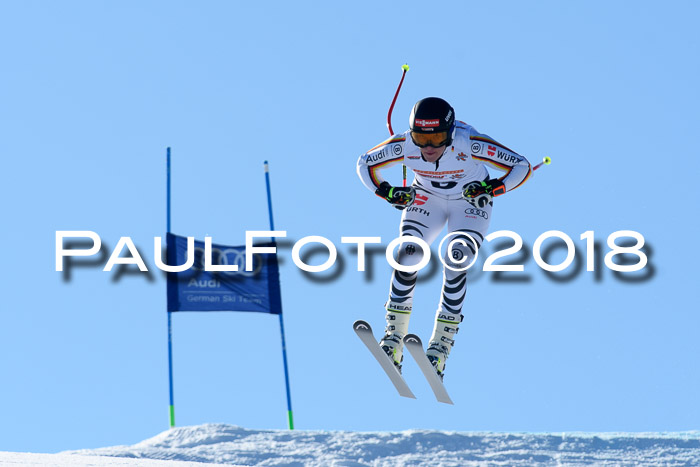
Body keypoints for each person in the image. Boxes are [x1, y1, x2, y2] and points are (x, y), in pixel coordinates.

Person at [356, 97, 532, 379]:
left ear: (450, 133)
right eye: (420, 138)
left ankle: (440, 347)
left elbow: (522, 166)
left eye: (437, 138)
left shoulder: (469, 143)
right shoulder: (404, 146)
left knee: (456, 255)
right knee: (408, 254)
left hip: (468, 202)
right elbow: (364, 164)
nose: (428, 148)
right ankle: (393, 338)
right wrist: (387, 192)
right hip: (427, 199)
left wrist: (491, 188)